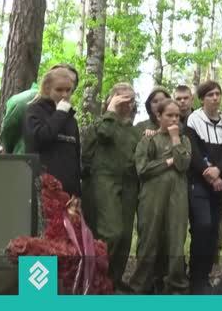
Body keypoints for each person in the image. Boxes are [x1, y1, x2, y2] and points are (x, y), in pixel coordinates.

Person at [81, 83, 141, 292]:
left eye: (131, 100)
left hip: (129, 184)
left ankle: (112, 282)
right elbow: (103, 136)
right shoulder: (101, 123)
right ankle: (96, 279)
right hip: (103, 181)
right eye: (123, 99)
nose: (128, 104)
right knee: (111, 233)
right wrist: (111, 111)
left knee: (124, 238)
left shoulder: (134, 132)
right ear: (112, 99)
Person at [130, 99, 191, 294]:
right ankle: (140, 287)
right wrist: (168, 161)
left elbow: (183, 164)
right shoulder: (148, 140)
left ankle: (175, 288)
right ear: (158, 116)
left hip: (178, 197)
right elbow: (143, 169)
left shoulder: (185, 140)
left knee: (175, 242)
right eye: (169, 115)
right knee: (148, 242)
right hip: (151, 198)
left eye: (177, 116)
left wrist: (175, 140)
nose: (174, 119)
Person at [186, 80, 222, 294]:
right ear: (202, 98)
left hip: (219, 185)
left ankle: (204, 277)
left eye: (218, 93)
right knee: (202, 228)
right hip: (199, 183)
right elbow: (194, 152)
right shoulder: (193, 119)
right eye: (210, 95)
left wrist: (218, 171)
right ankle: (195, 279)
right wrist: (210, 174)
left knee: (213, 231)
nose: (215, 97)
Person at [24, 65, 81, 197]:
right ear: (47, 89)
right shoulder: (34, 111)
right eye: (59, 90)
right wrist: (60, 113)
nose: (64, 95)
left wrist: (77, 195)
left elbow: (75, 158)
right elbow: (38, 140)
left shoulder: (71, 120)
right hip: (43, 191)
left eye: (68, 90)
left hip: (69, 194)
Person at [0, 64, 79, 155]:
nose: (65, 93)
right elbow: (9, 129)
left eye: (70, 87)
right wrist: (9, 151)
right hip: (25, 159)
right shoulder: (27, 100)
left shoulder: (67, 111)